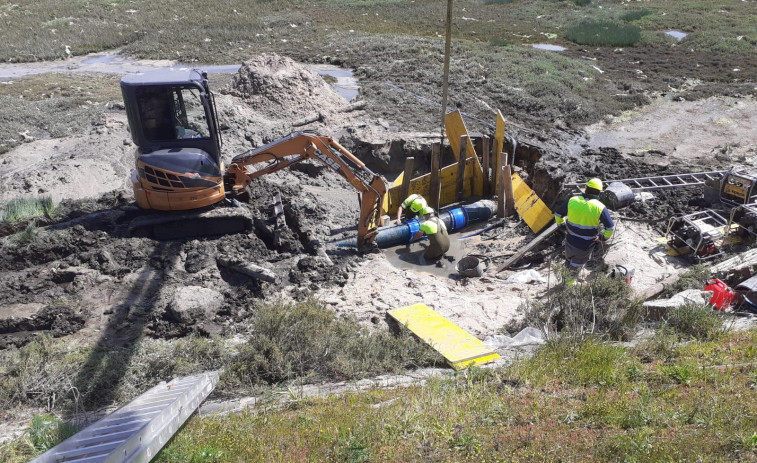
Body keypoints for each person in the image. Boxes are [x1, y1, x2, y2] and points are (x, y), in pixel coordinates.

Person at [554, 178, 615, 284]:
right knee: (576, 265)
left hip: (570, 240)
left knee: (569, 260)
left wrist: (563, 228)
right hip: (585, 246)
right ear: (599, 192)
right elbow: (610, 228)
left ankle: (565, 277)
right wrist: (602, 237)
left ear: (586, 188)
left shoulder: (572, 200)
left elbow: (558, 215)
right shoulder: (600, 207)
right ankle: (568, 287)